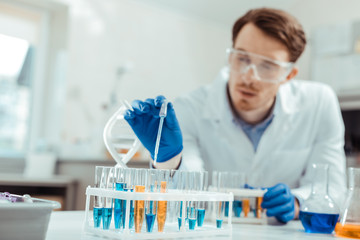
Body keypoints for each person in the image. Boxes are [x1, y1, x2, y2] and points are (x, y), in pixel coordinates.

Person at [124, 8, 346, 223]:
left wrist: (297, 203)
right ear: (230, 57)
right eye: (242, 58)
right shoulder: (189, 108)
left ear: (289, 75)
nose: (249, 78)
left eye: (267, 66)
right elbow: (182, 199)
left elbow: (333, 190)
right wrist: (169, 163)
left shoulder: (319, 103)